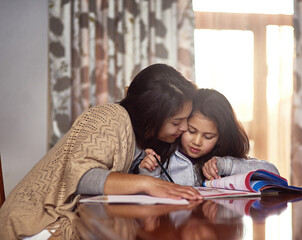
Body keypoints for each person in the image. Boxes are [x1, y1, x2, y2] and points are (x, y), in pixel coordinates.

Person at [0, 63, 203, 240]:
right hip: (34, 224)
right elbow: (81, 177)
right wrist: (147, 183)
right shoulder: (110, 116)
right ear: (150, 114)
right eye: (177, 122)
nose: (184, 127)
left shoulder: (144, 143)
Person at [138, 88, 279, 186]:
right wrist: (150, 173)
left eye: (208, 136)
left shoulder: (222, 160)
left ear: (221, 138)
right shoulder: (163, 156)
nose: (197, 142)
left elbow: (273, 173)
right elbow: (150, 200)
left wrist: (226, 165)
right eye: (191, 131)